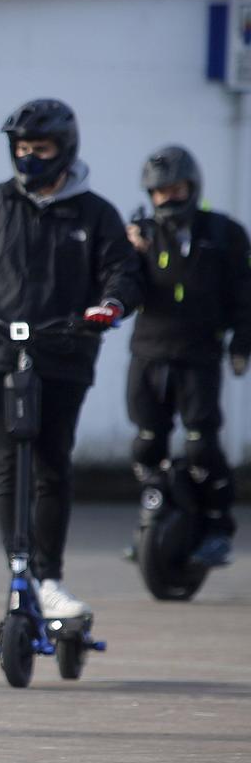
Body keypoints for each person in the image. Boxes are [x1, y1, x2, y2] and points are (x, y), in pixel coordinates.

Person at [0, 98, 141, 619]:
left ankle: (49, 579)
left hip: (64, 351)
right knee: (8, 466)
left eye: (40, 149)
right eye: (21, 150)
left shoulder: (95, 214)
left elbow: (121, 270)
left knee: (52, 464)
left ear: (65, 151)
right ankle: (20, 574)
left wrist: (109, 306)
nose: (28, 159)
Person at [123, 145, 250, 567]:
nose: (168, 199)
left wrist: (241, 344)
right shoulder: (139, 234)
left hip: (198, 353)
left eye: (176, 189)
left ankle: (216, 526)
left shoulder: (224, 233)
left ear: (192, 188)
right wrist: (129, 254)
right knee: (146, 445)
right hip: (149, 352)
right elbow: (118, 286)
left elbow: (245, 295)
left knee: (200, 445)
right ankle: (154, 518)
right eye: (160, 192)